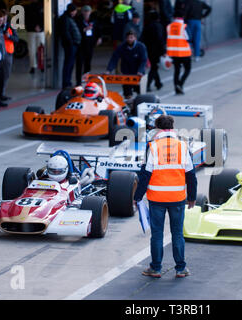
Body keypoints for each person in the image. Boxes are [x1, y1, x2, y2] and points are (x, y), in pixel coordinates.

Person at [133, 115, 197, 278]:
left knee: (157, 234)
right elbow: (191, 175)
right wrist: (192, 197)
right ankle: (181, 268)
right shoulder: (183, 147)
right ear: (172, 127)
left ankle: (155, 268)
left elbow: (145, 174)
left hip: (157, 199)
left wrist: (137, 196)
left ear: (157, 128)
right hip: (177, 198)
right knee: (177, 234)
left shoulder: (152, 146)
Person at [106, 29, 148, 99]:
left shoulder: (141, 47)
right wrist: (109, 70)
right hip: (126, 73)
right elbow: (114, 59)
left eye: (131, 37)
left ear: (135, 38)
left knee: (140, 95)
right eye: (128, 37)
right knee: (127, 94)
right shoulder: (121, 47)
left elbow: (144, 60)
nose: (130, 39)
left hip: (138, 73)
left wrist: (140, 71)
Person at [75, 5, 103, 86]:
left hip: (90, 44)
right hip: (81, 45)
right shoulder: (79, 20)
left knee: (88, 63)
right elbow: (76, 31)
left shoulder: (93, 20)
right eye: (85, 12)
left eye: (88, 12)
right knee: (79, 63)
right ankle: (78, 81)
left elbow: (98, 29)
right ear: (82, 12)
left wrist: (99, 38)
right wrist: (84, 29)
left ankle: (86, 79)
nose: (87, 13)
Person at [166, 8, 192, 95]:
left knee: (177, 71)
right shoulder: (184, 26)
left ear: (174, 17)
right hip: (184, 53)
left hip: (174, 53)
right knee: (187, 69)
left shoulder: (169, 27)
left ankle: (176, 89)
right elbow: (189, 38)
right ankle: (180, 84)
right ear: (183, 17)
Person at [58, 3, 82, 88]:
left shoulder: (69, 18)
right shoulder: (65, 19)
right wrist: (71, 42)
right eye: (75, 11)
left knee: (70, 64)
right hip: (70, 45)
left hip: (72, 44)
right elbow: (66, 32)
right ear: (72, 11)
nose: (76, 12)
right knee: (68, 64)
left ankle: (68, 82)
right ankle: (66, 82)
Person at [141, 10, 165, 92]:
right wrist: (163, 51)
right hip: (156, 50)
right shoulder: (159, 26)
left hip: (148, 49)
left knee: (154, 66)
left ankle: (158, 83)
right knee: (154, 67)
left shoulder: (147, 26)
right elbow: (160, 39)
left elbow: (142, 38)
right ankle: (147, 84)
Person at [1, 9, 19, 101]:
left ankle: (2, 93)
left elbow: (16, 39)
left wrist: (9, 36)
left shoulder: (10, 26)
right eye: (2, 18)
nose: (3, 19)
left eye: (5, 17)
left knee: (6, 74)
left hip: (8, 53)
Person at [25, 0, 45, 74]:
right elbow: (44, 18)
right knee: (40, 49)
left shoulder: (28, 7)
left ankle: (34, 66)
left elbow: (26, 20)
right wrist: (40, 27)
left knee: (32, 50)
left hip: (31, 31)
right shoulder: (43, 6)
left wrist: (34, 27)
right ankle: (40, 66)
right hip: (39, 31)